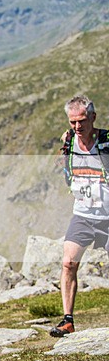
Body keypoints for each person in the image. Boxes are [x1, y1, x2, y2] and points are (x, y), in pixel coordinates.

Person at [55, 94, 108, 337]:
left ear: (93, 118)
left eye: (82, 121)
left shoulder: (106, 141)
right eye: (73, 121)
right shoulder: (68, 141)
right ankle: (67, 320)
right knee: (68, 263)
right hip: (83, 215)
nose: (77, 126)